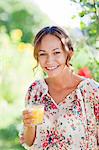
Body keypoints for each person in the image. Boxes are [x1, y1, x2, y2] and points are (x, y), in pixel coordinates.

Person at [19, 26, 99, 150]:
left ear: (69, 53)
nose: (49, 60)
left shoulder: (90, 91)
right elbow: (30, 142)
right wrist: (29, 125)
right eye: (43, 54)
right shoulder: (35, 90)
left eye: (56, 53)